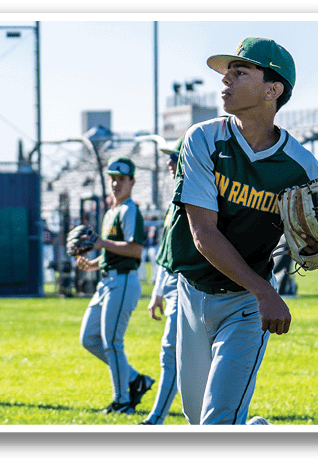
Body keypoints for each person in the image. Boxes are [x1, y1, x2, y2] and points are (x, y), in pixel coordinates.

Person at [160, 37, 318, 425]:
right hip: (194, 293)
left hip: (244, 305)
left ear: (273, 90)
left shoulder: (302, 166)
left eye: (240, 72)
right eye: (227, 73)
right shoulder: (203, 138)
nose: (225, 81)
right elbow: (203, 232)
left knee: (217, 420)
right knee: (196, 417)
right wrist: (267, 292)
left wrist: (317, 249)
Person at [77, 156, 154, 414]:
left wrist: (101, 244)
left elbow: (135, 250)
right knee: (89, 337)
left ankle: (122, 402)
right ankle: (135, 379)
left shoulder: (130, 209)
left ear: (132, 182)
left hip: (123, 281)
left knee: (111, 341)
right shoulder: (111, 211)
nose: (116, 184)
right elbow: (112, 251)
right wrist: (93, 264)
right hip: (108, 279)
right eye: (112, 178)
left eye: (121, 179)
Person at [141, 137, 183, 425]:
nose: (170, 162)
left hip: (191, 286)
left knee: (171, 352)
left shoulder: (200, 196)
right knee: (180, 357)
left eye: (175, 157)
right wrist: (158, 290)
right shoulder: (175, 199)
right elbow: (166, 250)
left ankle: (156, 419)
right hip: (173, 285)